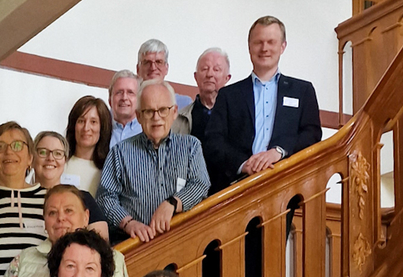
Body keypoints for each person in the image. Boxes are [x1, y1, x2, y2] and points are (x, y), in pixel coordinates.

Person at [204, 16, 323, 193]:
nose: (264, 48)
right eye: (258, 42)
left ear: (283, 46)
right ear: (249, 47)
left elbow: (312, 134)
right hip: (237, 188)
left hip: (284, 186)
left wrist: (279, 152)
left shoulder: (303, 91)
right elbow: (213, 141)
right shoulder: (228, 95)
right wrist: (244, 164)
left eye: (271, 42)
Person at [97, 81, 210, 244]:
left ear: (174, 112)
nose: (156, 118)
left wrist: (172, 203)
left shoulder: (190, 146)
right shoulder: (120, 152)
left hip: (182, 245)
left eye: (163, 110)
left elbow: (200, 184)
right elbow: (105, 197)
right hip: (134, 245)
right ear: (139, 116)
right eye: (149, 111)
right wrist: (128, 223)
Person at [4, 186, 133, 277]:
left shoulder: (114, 259)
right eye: (52, 213)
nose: (61, 218)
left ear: (86, 217)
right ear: (45, 221)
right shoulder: (23, 259)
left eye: (68, 211)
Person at [0, 121, 47, 277]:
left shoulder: (51, 201)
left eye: (17, 145)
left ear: (30, 158)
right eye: (0, 146)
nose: (9, 151)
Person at [172, 48, 232, 146]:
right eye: (204, 69)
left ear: (227, 78)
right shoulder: (179, 119)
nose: (209, 74)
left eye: (216, 69)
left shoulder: (237, 115)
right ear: (196, 77)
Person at [63, 96, 112, 196]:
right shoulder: (59, 161)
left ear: (102, 128)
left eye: (93, 122)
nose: (86, 128)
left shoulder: (109, 169)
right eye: (81, 121)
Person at [135, 39, 193, 109]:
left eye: (159, 62)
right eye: (147, 62)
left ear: (166, 68)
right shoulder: (128, 103)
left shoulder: (184, 104)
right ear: (138, 69)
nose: (153, 68)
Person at [108, 70, 142, 149]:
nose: (124, 98)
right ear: (110, 100)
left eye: (130, 92)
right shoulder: (101, 130)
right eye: (119, 92)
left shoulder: (147, 132)